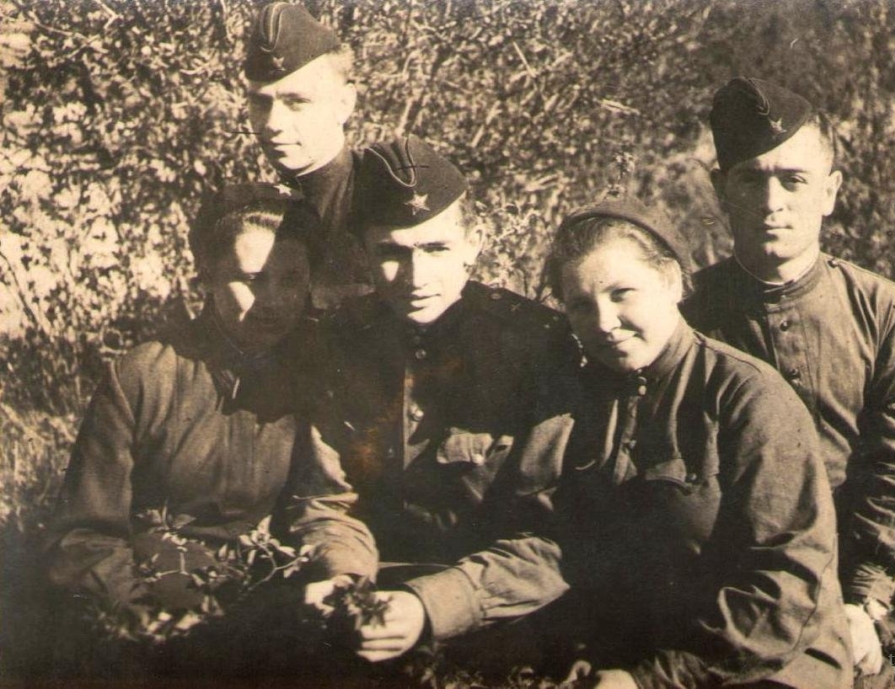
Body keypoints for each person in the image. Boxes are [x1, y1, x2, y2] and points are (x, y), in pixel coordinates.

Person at [682, 76, 895, 684]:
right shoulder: (684, 315)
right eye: (751, 180)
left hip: (867, 579)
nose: (773, 203)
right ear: (721, 190)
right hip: (741, 581)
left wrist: (863, 600)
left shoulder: (882, 309)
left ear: (830, 192)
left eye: (794, 180)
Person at [43, 183, 378, 674]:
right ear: (208, 276)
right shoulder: (144, 375)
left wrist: (342, 577)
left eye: (290, 280)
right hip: (154, 611)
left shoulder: (321, 371)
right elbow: (84, 536)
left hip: (274, 602)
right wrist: (153, 623)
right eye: (251, 279)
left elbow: (326, 506)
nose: (272, 301)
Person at [548, 197, 852, 688]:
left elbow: (785, 588)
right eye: (581, 305)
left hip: (767, 666)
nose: (603, 321)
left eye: (622, 293)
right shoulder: (583, 401)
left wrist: (647, 680)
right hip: (643, 662)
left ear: (670, 281)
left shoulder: (748, 396)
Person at [301, 135, 579, 668]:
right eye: (392, 253)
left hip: (506, 621)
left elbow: (554, 534)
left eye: (436, 249)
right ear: (362, 253)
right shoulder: (343, 343)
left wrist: (430, 606)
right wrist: (345, 581)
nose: (416, 277)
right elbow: (329, 499)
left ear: (475, 243)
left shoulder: (536, 347)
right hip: (374, 605)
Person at [244, 2, 370, 308]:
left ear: (344, 103)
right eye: (261, 102)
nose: (272, 123)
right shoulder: (249, 211)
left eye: (297, 101)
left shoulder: (382, 205)